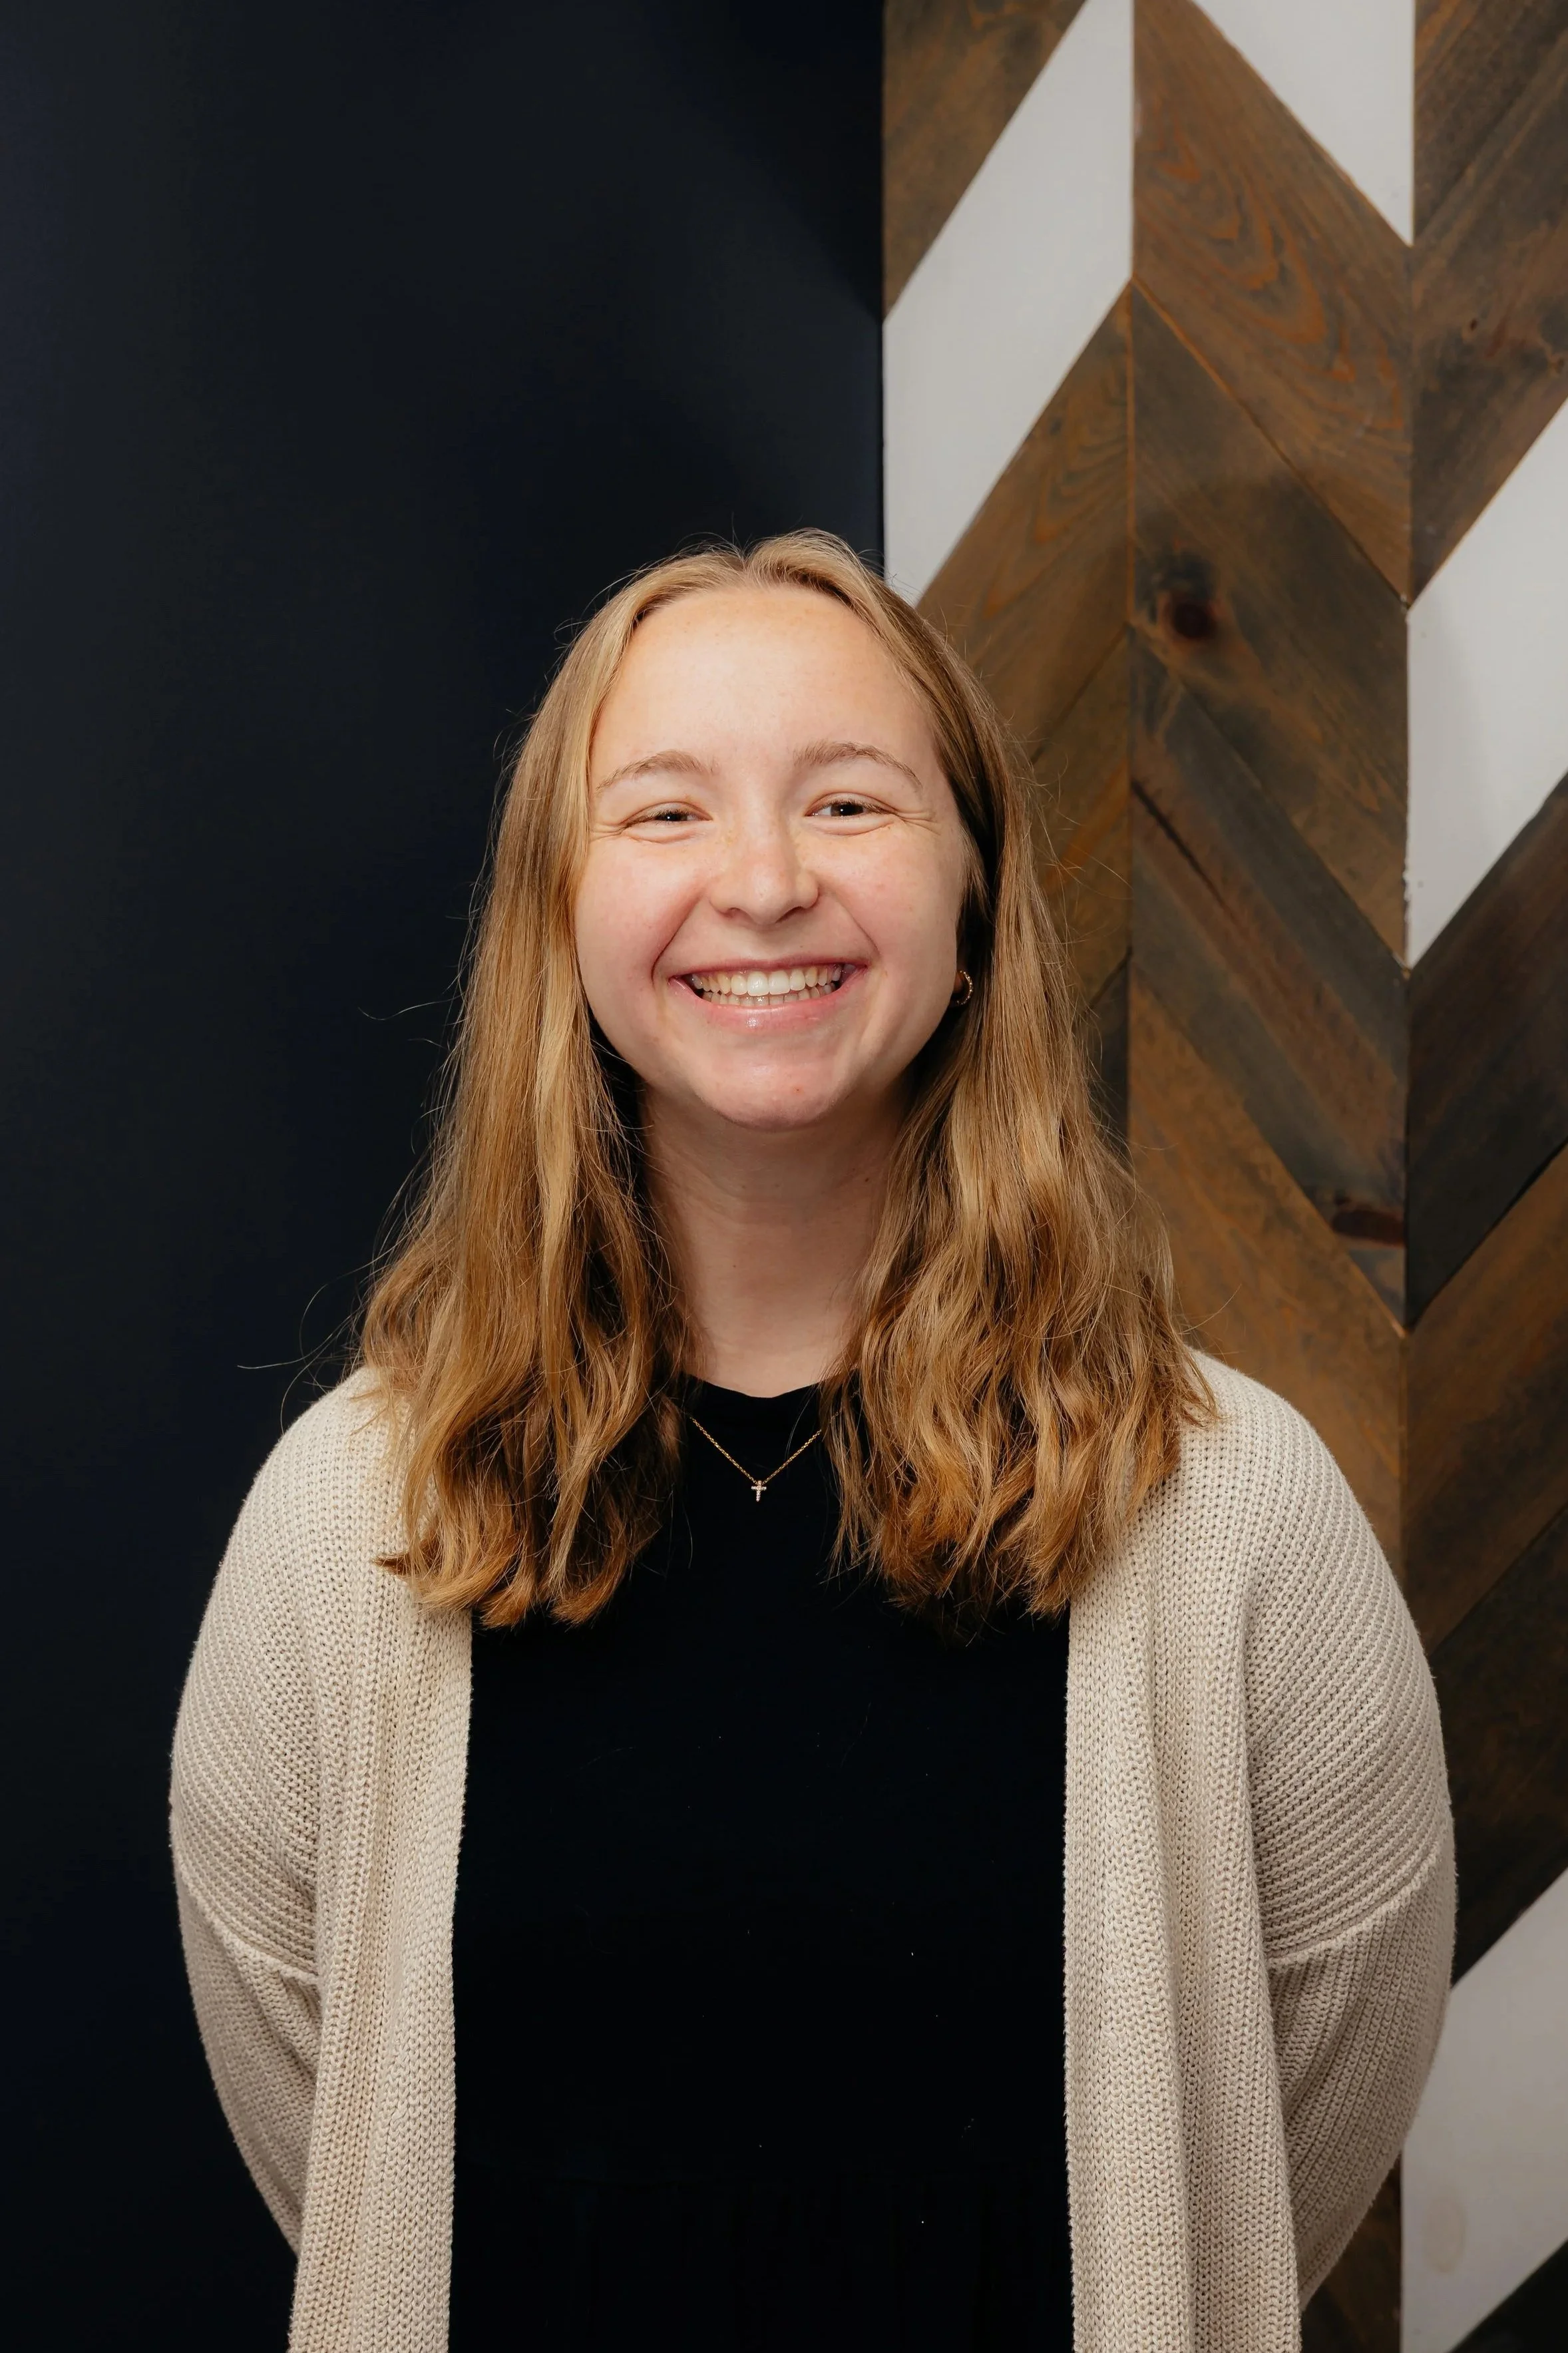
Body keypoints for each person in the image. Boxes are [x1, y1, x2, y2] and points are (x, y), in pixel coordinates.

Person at [171, 532, 1453, 2353]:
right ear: (560, 912)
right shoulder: (352, 1512)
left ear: (974, 896)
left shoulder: (1226, 1505)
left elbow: (1292, 2098)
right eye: (666, 814)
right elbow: (324, 2103)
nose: (763, 882)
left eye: (848, 801)